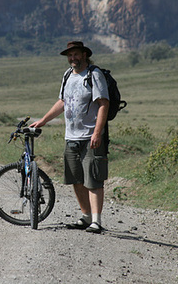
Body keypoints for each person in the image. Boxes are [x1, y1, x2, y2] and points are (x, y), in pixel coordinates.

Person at [30, 41, 109, 233]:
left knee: (93, 179)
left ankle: (97, 221)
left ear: (84, 55)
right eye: (69, 55)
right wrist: (43, 120)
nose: (72, 58)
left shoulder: (94, 74)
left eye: (76, 54)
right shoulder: (67, 75)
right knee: (76, 179)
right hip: (71, 136)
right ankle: (86, 217)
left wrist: (98, 133)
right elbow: (63, 102)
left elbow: (103, 104)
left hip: (91, 136)